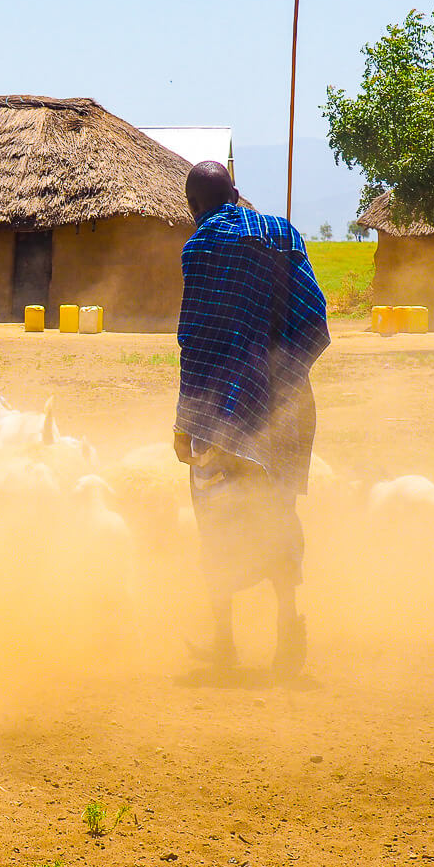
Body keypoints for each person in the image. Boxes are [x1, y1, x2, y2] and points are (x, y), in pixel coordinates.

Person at [173, 161, 330, 679]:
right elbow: (313, 318)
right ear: (237, 194)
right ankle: (289, 632)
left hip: (223, 415)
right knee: (278, 512)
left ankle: (225, 646)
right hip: (286, 408)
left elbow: (195, 339)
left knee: (216, 518)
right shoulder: (282, 233)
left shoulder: (198, 249)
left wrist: (184, 420)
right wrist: (283, 376)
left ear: (194, 209)